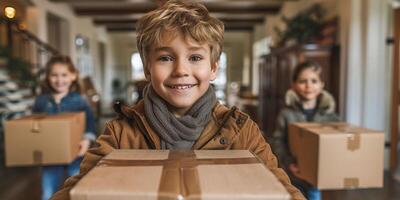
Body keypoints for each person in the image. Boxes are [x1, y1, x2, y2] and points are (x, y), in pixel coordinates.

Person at [51, 1, 304, 199]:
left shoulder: (242, 131)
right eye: (165, 58)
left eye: (195, 58)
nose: (181, 70)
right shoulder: (120, 133)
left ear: (214, 68)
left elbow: (281, 188)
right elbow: (79, 188)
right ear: (148, 68)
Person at [270, 61, 340, 200]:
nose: (308, 86)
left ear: (321, 85)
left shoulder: (331, 116)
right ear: (294, 85)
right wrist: (289, 163)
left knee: (314, 195)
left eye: (314, 81)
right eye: (303, 81)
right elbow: (278, 141)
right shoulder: (286, 114)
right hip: (293, 173)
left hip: (318, 176)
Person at [32, 55, 97, 200]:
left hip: (75, 153)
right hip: (49, 155)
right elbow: (33, 124)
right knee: (48, 191)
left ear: (73, 76)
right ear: (48, 77)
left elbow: (90, 122)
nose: (59, 80)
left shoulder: (80, 100)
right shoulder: (41, 101)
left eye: (64, 75)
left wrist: (86, 140)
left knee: (76, 189)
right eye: (54, 75)